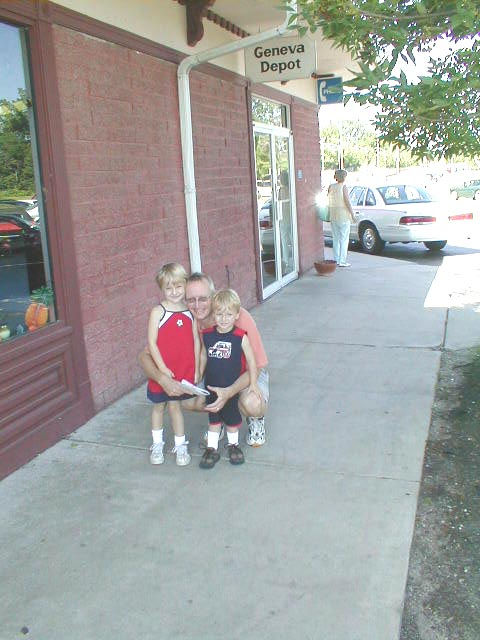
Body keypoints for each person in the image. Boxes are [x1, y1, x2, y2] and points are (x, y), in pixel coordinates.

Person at [139, 272, 269, 446]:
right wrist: (163, 379)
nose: (197, 305)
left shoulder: (236, 315)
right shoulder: (185, 320)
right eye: (191, 300)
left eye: (203, 299)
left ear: (213, 297)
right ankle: (220, 418)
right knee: (187, 400)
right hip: (215, 375)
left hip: (247, 374)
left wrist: (229, 392)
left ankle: (255, 419)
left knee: (252, 403)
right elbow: (144, 357)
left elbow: (257, 365)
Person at [198, 289, 260, 469]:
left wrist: (253, 383)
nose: (224, 319)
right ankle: (212, 448)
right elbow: (203, 355)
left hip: (231, 388)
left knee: (232, 420)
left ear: (237, 315)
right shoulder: (208, 335)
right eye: (219, 314)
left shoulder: (240, 336)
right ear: (213, 314)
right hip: (212, 386)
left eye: (228, 314)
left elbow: (252, 361)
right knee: (214, 419)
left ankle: (233, 445)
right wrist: (198, 375)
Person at [146, 263, 200, 467]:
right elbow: (151, 343)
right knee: (159, 407)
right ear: (162, 288)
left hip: (181, 370)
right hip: (164, 370)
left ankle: (180, 445)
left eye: (178, 286)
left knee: (176, 407)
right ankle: (157, 444)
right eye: (169, 288)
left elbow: (195, 340)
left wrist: (196, 368)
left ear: (185, 285)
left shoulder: (190, 312)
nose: (174, 292)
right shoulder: (158, 312)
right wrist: (161, 369)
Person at [328, 168, 356, 267]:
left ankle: (336, 259)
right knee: (344, 239)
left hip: (333, 215)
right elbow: (347, 201)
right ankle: (342, 261)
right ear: (344, 177)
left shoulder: (331, 187)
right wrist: (352, 214)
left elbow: (329, 200)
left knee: (335, 238)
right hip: (343, 215)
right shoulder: (343, 187)